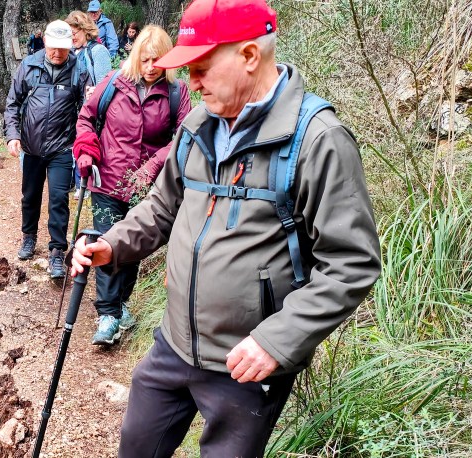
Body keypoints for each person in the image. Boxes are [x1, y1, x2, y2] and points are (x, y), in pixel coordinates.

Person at [70, 0, 381, 455]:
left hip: (246, 366)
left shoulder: (318, 140)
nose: (191, 84)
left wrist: (277, 341)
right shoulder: (198, 124)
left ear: (250, 56)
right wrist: (111, 245)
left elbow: (351, 263)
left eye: (202, 68)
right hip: (172, 344)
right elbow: (161, 207)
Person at [73, 25, 189, 345]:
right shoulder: (112, 83)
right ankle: (107, 314)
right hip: (107, 181)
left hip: (146, 187)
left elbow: (183, 138)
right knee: (108, 242)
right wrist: (86, 150)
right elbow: (86, 118)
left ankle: (122, 304)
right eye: (147, 59)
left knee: (133, 247)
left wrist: (153, 166)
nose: (152, 66)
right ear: (137, 56)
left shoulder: (177, 93)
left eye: (159, 60)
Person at [4, 20, 92, 279]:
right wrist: (12, 135)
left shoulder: (78, 70)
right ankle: (28, 237)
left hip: (62, 148)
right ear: (45, 43)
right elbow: (12, 104)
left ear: (69, 47)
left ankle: (56, 251)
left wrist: (84, 139)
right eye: (53, 48)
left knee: (58, 199)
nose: (57, 54)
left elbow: (86, 110)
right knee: (30, 196)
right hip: (31, 148)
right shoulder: (28, 66)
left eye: (62, 49)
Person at [66, 11, 112, 88]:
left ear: (85, 30)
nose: (72, 38)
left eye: (73, 34)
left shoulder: (99, 51)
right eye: (69, 35)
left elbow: (103, 88)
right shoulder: (71, 51)